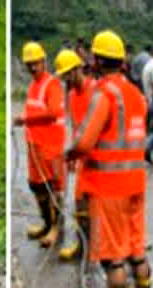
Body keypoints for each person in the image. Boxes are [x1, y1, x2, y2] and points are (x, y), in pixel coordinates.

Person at [67, 30, 150, 288]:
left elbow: (85, 142)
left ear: (98, 61)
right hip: (135, 185)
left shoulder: (105, 95)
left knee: (113, 259)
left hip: (110, 188)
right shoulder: (135, 94)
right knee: (136, 252)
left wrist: (69, 152)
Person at [14, 42, 66, 249]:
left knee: (53, 188)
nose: (32, 68)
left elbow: (52, 113)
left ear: (43, 61)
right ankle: (46, 223)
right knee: (37, 188)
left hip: (50, 147)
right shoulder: (33, 86)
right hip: (35, 147)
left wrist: (25, 119)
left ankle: (56, 227)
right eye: (29, 64)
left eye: (35, 63)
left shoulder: (52, 84)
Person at [56, 49, 96, 261]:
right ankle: (83, 248)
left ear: (79, 69)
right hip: (83, 155)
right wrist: (74, 152)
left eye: (68, 75)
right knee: (79, 201)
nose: (66, 80)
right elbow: (75, 126)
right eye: (63, 77)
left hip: (100, 156)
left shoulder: (95, 90)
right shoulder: (71, 96)